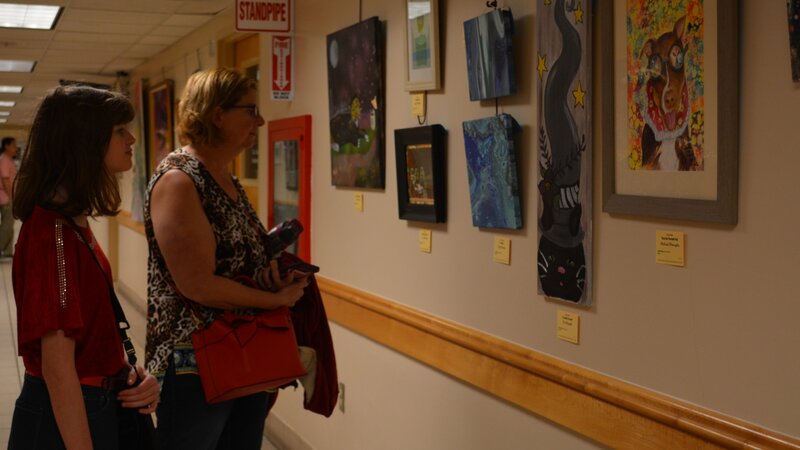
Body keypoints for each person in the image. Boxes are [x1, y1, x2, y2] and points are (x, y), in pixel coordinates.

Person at [145, 67, 309, 449]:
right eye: (250, 110)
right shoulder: (180, 180)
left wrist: (269, 276)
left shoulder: (224, 177)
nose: (261, 121)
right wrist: (274, 300)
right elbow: (198, 284)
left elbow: (232, 263)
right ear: (217, 114)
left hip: (241, 352)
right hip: (196, 362)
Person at [8, 85, 161, 449]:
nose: (132, 138)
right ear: (84, 142)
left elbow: (89, 336)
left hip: (95, 402)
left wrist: (126, 373)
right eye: (118, 130)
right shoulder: (53, 233)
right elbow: (58, 369)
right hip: (69, 413)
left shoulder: (70, 223)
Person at [0, 136, 18, 257]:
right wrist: (11, 197)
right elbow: (5, 179)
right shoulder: (4, 160)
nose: (15, 148)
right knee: (6, 226)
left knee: (9, 224)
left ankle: (7, 252)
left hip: (7, 196)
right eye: (13, 145)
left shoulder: (8, 159)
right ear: (6, 146)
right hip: (5, 196)